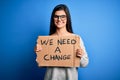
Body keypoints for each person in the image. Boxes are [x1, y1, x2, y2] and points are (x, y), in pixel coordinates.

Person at [35, 4, 89, 80]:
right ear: (53, 19)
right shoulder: (46, 41)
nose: (59, 19)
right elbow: (40, 65)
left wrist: (81, 56)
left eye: (63, 16)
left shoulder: (76, 39)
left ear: (67, 19)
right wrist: (38, 54)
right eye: (56, 16)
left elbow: (85, 64)